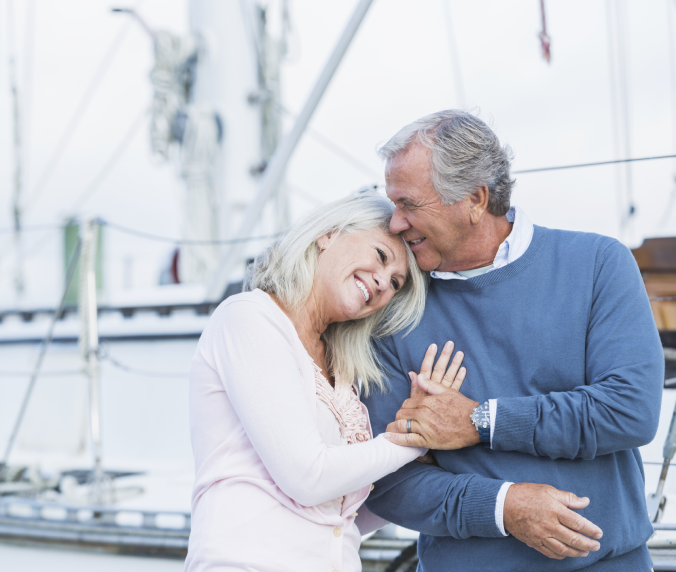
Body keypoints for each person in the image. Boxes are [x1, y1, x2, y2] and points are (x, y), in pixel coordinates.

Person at [362, 110, 664, 571]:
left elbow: (630, 411)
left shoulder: (599, 264)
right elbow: (388, 482)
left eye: (408, 204)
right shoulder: (390, 306)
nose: (396, 223)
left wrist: (482, 421)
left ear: (475, 200)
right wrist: (504, 506)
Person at [184, 190, 468, 572]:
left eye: (396, 283)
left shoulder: (343, 369)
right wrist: (414, 438)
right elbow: (308, 478)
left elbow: (339, 513)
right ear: (328, 234)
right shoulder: (249, 318)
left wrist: (427, 458)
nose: (383, 282)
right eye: (381, 257)